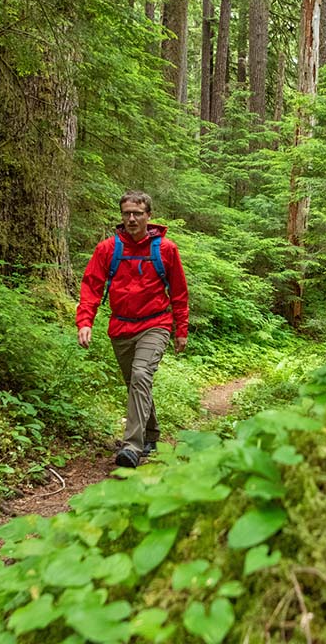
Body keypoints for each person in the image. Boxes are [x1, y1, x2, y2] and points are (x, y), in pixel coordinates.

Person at [76, 190, 189, 468]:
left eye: (138, 213)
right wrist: (85, 321)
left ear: (149, 216)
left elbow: (178, 291)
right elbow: (91, 285)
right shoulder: (107, 249)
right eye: (127, 213)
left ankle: (132, 447)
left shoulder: (166, 249)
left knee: (140, 374)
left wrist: (181, 328)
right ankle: (151, 434)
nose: (131, 218)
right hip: (121, 326)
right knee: (136, 383)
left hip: (156, 323)